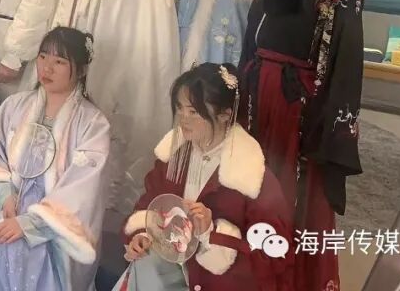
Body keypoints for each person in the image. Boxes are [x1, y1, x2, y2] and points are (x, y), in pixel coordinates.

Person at [238, 0, 363, 291]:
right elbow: (251, 40)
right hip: (260, 96)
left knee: (293, 199)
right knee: (251, 186)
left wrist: (325, 123)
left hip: (299, 107)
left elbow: (345, 64)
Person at [0, 27, 109, 291]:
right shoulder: (17, 105)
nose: (47, 68)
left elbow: (84, 189)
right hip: (10, 206)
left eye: (59, 62)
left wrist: (31, 224)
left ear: (81, 70)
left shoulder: (93, 124)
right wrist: (3, 193)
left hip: (55, 227)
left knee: (16, 257)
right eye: (43, 57)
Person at [51, 0, 180, 216]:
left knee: (109, 147)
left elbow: (151, 37)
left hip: (118, 73)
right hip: (72, 71)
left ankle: (102, 221)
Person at [118, 64, 293, 291]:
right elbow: (148, 203)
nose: (183, 118)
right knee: (145, 267)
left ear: (225, 115)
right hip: (165, 274)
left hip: (219, 284)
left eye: (193, 112)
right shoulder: (173, 155)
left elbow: (273, 254)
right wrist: (142, 236)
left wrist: (211, 233)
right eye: (179, 108)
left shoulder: (251, 176)